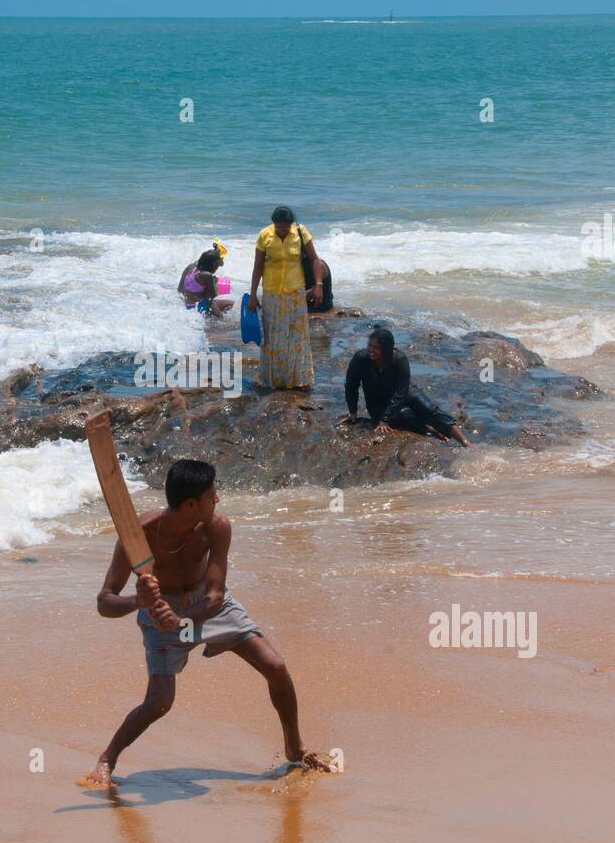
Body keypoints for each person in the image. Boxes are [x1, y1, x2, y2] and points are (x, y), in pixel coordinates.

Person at [84, 458, 331, 787]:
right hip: (158, 610)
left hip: (207, 605)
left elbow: (215, 595)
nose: (217, 499)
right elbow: (104, 603)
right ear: (190, 504)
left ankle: (294, 747)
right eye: (211, 495)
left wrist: (182, 618)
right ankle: (106, 759)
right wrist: (137, 602)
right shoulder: (139, 535)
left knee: (275, 666)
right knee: (159, 702)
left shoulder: (217, 526)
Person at [340, 327, 472, 446]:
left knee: (429, 409)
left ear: (386, 349)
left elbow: (401, 391)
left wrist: (385, 420)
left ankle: (464, 442)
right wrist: (353, 412)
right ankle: (429, 429)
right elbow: (351, 385)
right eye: (369, 345)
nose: (371, 350)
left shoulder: (399, 359)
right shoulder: (361, 359)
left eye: (376, 347)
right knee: (404, 416)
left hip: (403, 393)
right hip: (377, 402)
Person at [247, 205, 322, 388]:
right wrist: (253, 294)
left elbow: (314, 259)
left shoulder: (300, 232)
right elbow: (258, 266)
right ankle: (271, 379)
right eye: (279, 227)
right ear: (273, 224)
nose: (282, 230)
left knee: (297, 336)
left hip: (295, 292)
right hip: (272, 292)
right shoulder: (265, 235)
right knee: (272, 336)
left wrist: (318, 285)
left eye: (285, 227)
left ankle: (298, 379)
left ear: (291, 224)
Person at [177, 247, 233, 318]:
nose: (217, 268)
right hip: (199, 307)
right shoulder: (206, 275)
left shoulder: (190, 267)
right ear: (213, 264)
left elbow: (179, 290)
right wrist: (214, 282)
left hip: (189, 306)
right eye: (217, 265)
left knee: (229, 304)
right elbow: (212, 296)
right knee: (228, 311)